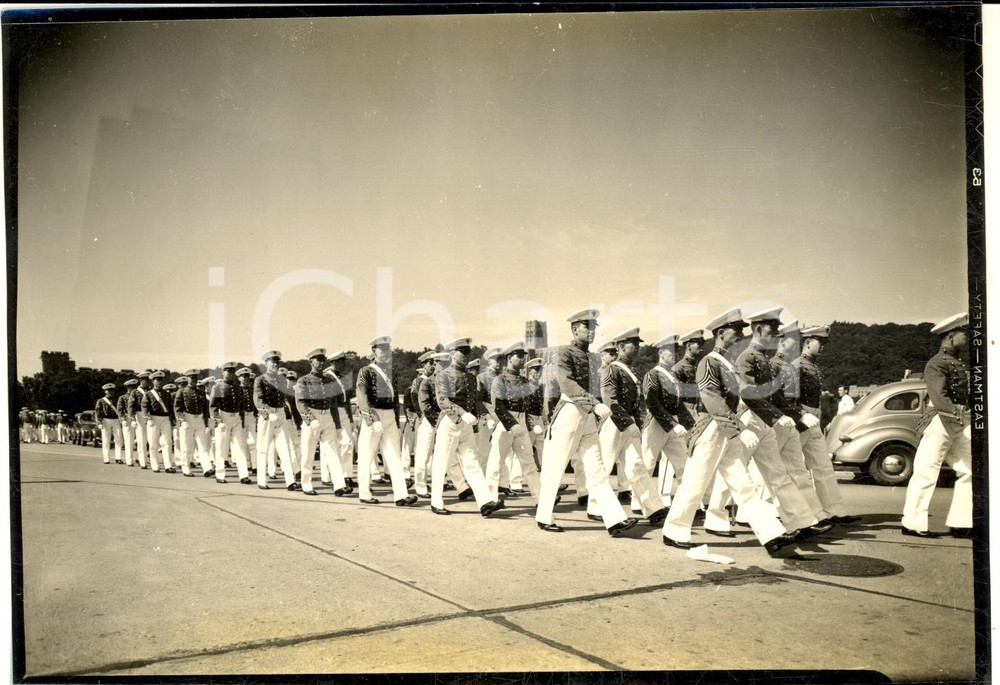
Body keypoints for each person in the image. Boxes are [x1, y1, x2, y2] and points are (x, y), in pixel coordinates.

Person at [661, 308, 797, 558]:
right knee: (694, 484)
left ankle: (771, 534)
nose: (740, 336)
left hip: (727, 429)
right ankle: (674, 531)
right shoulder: (709, 361)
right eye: (736, 332)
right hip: (711, 430)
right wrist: (738, 431)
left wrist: (740, 428)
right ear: (721, 333)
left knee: (743, 484)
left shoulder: (727, 363)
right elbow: (712, 399)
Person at [535, 309, 636, 537]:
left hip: (588, 416)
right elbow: (567, 384)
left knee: (597, 469)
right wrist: (593, 404)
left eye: (593, 328)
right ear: (574, 329)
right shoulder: (564, 354)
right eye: (586, 328)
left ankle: (614, 519)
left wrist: (596, 406)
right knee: (555, 467)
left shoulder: (594, 358)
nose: (591, 332)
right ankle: (543, 515)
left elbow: (595, 386)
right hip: (570, 411)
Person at [901, 313, 972, 538]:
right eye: (964, 334)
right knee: (926, 472)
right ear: (951, 336)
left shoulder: (956, 362)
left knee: (970, 470)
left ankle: (962, 522)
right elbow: (940, 397)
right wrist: (960, 422)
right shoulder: (937, 363)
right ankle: (913, 523)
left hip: (955, 420)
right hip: (941, 420)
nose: (967, 338)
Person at [786, 324, 861, 526]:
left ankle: (835, 511)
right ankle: (798, 515)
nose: (823, 347)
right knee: (792, 467)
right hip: (800, 420)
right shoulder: (796, 365)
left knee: (823, 466)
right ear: (808, 342)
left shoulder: (811, 365)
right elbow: (789, 398)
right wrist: (801, 416)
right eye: (821, 342)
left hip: (814, 420)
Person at [597, 328, 668, 525]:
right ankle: (595, 507)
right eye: (633, 345)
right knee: (605, 464)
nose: (637, 348)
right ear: (620, 347)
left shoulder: (630, 370)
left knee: (636, 465)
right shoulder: (612, 369)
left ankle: (653, 508)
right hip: (614, 422)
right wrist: (627, 423)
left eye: (638, 344)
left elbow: (635, 401)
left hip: (628, 423)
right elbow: (610, 400)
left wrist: (635, 423)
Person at [429, 338, 499, 516]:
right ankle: (436, 502)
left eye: (468, 353)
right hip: (450, 422)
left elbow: (476, 401)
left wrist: (486, 416)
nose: (466, 356)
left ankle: (485, 502)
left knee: (472, 463)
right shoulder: (443, 375)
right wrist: (462, 413)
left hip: (467, 425)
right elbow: (443, 400)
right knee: (442, 463)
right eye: (463, 352)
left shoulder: (470, 377)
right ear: (453, 354)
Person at [355, 337, 417, 506]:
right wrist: (371, 418)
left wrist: (396, 421)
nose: (386, 353)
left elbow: (395, 399)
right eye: (382, 350)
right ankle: (364, 493)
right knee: (366, 455)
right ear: (374, 351)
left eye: (388, 349)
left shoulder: (392, 373)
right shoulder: (366, 371)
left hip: (389, 414)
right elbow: (362, 396)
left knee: (394, 456)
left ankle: (401, 495)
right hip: (373, 414)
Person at [641, 334, 695, 510]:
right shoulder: (652, 375)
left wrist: (690, 423)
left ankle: (685, 505)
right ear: (661, 353)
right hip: (657, 423)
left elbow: (678, 403)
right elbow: (652, 403)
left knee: (684, 465)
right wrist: (673, 424)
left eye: (676, 351)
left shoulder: (672, 376)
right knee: (648, 463)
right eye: (671, 352)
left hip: (673, 423)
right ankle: (641, 503)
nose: (675, 355)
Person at [485, 342, 543, 506]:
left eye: (523, 356)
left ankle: (540, 499)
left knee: (529, 463)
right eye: (519, 356)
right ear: (510, 358)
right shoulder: (499, 380)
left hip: (522, 423)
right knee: (496, 462)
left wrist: (527, 424)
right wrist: (512, 424)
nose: (522, 359)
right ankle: (490, 499)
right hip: (506, 424)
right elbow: (498, 406)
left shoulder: (524, 381)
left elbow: (527, 406)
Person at [295, 348, 351, 497]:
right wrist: (310, 419)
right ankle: (306, 483)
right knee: (308, 452)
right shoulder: (304, 380)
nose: (321, 363)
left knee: (333, 452)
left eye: (322, 360)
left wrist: (337, 425)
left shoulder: (329, 380)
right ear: (311, 362)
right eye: (317, 360)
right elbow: (300, 402)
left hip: (327, 417)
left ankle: (339, 485)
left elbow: (333, 404)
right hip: (312, 415)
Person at [253, 351, 298, 490]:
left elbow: (284, 398)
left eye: (277, 362)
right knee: (263, 448)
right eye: (272, 361)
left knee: (284, 447)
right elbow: (258, 399)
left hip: (280, 413)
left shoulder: (281, 379)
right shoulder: (260, 379)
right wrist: (266, 412)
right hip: (267, 415)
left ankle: (290, 481)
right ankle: (261, 480)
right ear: (266, 363)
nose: (275, 364)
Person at [212, 362, 253, 485]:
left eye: (231, 371)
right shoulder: (218, 387)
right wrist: (217, 419)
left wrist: (242, 420)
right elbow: (213, 405)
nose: (229, 374)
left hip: (236, 418)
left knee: (240, 446)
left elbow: (241, 406)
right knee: (221, 447)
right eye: (227, 371)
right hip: (223, 416)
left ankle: (244, 475)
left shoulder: (237, 388)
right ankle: (220, 474)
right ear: (222, 372)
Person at [324, 352, 357, 488]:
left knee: (348, 443)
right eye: (341, 362)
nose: (344, 364)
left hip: (343, 411)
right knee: (332, 444)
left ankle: (347, 475)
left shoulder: (343, 378)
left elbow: (348, 400)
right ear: (334, 362)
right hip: (332, 411)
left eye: (344, 362)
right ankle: (328, 475)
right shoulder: (326, 377)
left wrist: (349, 417)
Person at [174, 374, 210, 478]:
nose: (193, 380)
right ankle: (186, 469)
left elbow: (205, 408)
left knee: (203, 446)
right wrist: (181, 420)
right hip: (187, 419)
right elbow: (177, 408)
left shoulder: (201, 392)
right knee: (187, 447)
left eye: (195, 378)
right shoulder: (182, 391)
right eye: (191, 378)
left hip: (199, 419)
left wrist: (206, 420)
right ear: (188, 379)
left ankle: (207, 468)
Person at [142, 371, 176, 473]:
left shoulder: (167, 394)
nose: (159, 382)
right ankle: (155, 465)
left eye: (161, 380)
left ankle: (168, 465)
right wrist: (148, 418)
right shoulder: (148, 394)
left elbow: (171, 408)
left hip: (165, 419)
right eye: (157, 380)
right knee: (153, 443)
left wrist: (173, 419)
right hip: (154, 418)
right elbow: (144, 407)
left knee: (167, 442)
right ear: (153, 381)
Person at [95, 383, 123, 465]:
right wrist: (99, 422)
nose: (110, 392)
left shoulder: (117, 400)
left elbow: (121, 409)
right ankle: (106, 458)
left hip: (116, 420)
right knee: (106, 440)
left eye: (112, 390)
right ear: (105, 391)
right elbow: (98, 412)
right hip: (106, 420)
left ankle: (118, 457)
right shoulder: (101, 401)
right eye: (108, 390)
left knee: (119, 439)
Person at [117, 380, 138, 466]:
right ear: (127, 388)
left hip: (137, 417)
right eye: (131, 387)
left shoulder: (138, 396)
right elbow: (120, 409)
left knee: (140, 440)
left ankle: (140, 458)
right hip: (127, 418)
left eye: (134, 387)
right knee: (129, 440)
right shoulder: (122, 397)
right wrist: (123, 419)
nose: (133, 389)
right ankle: (129, 459)